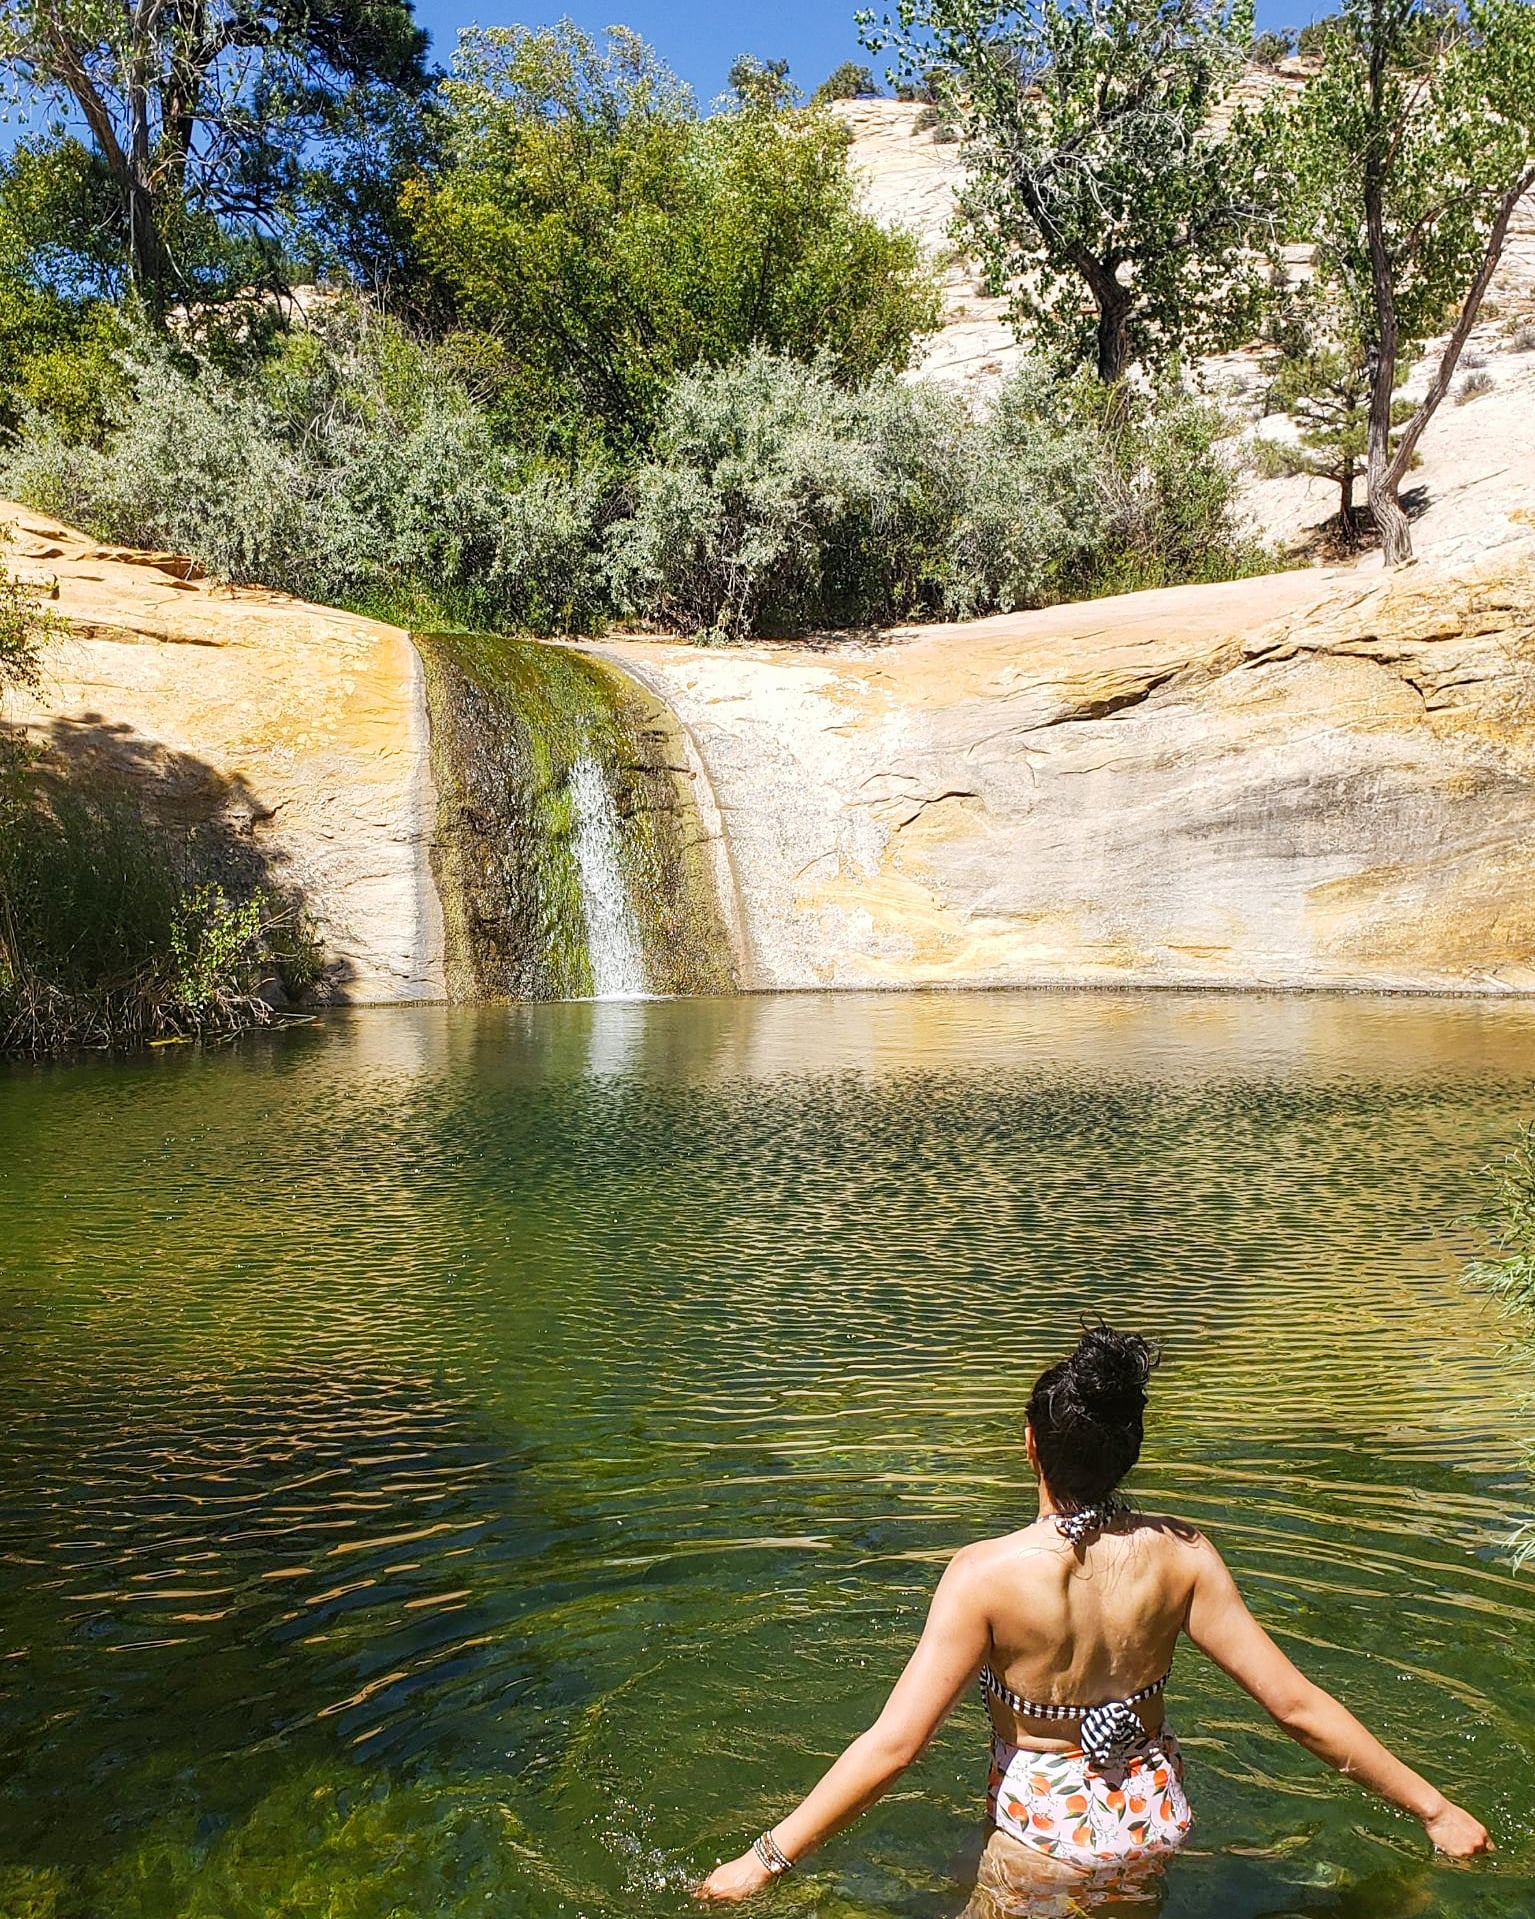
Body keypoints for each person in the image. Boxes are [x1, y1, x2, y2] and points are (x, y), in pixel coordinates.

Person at [695, 1325, 1491, 1910]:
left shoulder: (983, 1574)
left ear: (1029, 1448)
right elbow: (1295, 1707)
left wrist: (763, 1858)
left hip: (1045, 1835)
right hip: (1151, 1816)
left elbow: (894, 1746)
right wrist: (1436, 1807)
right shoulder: (1183, 1555)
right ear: (1128, 1452)